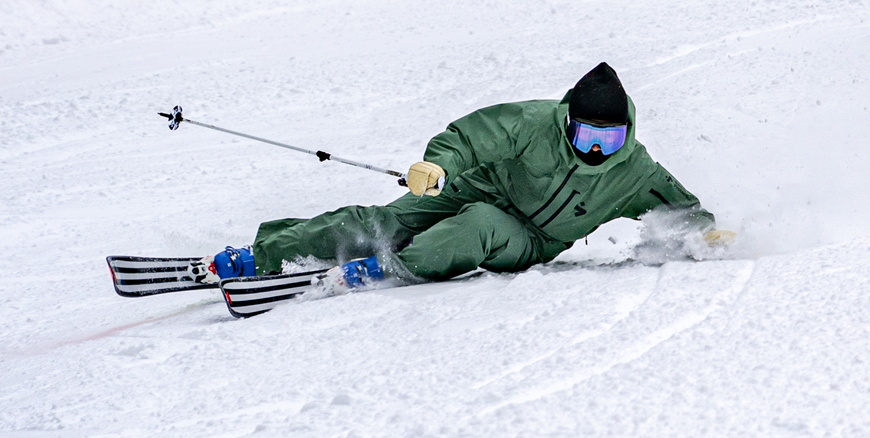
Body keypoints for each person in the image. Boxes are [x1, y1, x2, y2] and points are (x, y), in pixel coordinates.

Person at [204, 62, 734, 288]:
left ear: (629, 132)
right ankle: (265, 254)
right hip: (473, 186)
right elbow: (471, 138)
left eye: (609, 139)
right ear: (567, 120)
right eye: (585, 136)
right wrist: (438, 166)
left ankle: (384, 269)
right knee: (382, 219)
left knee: (476, 224)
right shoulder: (532, 122)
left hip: (529, 237)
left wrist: (703, 233)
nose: (596, 149)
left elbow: (681, 210)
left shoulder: (635, 173)